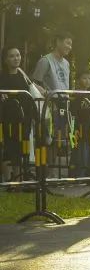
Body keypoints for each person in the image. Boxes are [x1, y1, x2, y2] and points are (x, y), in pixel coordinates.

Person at [0, 47, 34, 183]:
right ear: (5, 59)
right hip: (6, 119)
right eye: (12, 56)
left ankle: (19, 180)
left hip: (24, 118)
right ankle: (8, 180)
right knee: (8, 148)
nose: (16, 58)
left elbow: (33, 89)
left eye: (18, 55)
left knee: (21, 150)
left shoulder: (22, 75)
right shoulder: (2, 76)